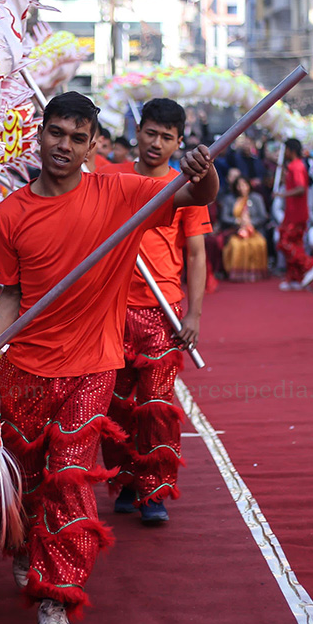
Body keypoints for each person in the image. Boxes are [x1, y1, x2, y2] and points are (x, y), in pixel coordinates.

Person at [0, 92, 218, 624]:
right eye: (56, 134)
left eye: (77, 138)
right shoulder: (10, 213)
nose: (63, 147)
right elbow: (10, 295)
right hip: (25, 367)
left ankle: (58, 598)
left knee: (70, 481)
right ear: (40, 134)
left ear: (92, 144)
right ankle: (24, 548)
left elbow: (194, 195)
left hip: (93, 366)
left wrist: (205, 172)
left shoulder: (121, 193)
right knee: (25, 478)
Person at [98, 98, 210, 524]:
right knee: (117, 402)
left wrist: (194, 315)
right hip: (111, 308)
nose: (156, 143)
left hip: (163, 312)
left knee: (157, 404)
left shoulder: (187, 189)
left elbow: (197, 256)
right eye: (150, 133)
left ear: (178, 142)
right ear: (138, 131)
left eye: (167, 137)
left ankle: (155, 490)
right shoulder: (111, 178)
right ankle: (126, 481)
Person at [273, 139, 313, 290]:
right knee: (295, 244)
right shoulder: (294, 166)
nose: (284, 153)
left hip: (295, 213)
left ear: (291, 150)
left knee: (285, 242)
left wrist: (282, 195)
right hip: (295, 212)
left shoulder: (296, 166)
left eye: (286, 150)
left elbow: (301, 188)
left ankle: (309, 265)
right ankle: (294, 277)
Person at [221, 177, 270, 282]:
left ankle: (255, 273)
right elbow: (224, 217)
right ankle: (237, 274)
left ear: (249, 186)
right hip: (235, 231)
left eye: (244, 185)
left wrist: (250, 223)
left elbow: (263, 216)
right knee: (236, 245)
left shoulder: (256, 198)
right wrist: (237, 221)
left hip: (254, 230)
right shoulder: (230, 199)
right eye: (239, 185)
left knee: (259, 243)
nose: (241, 188)